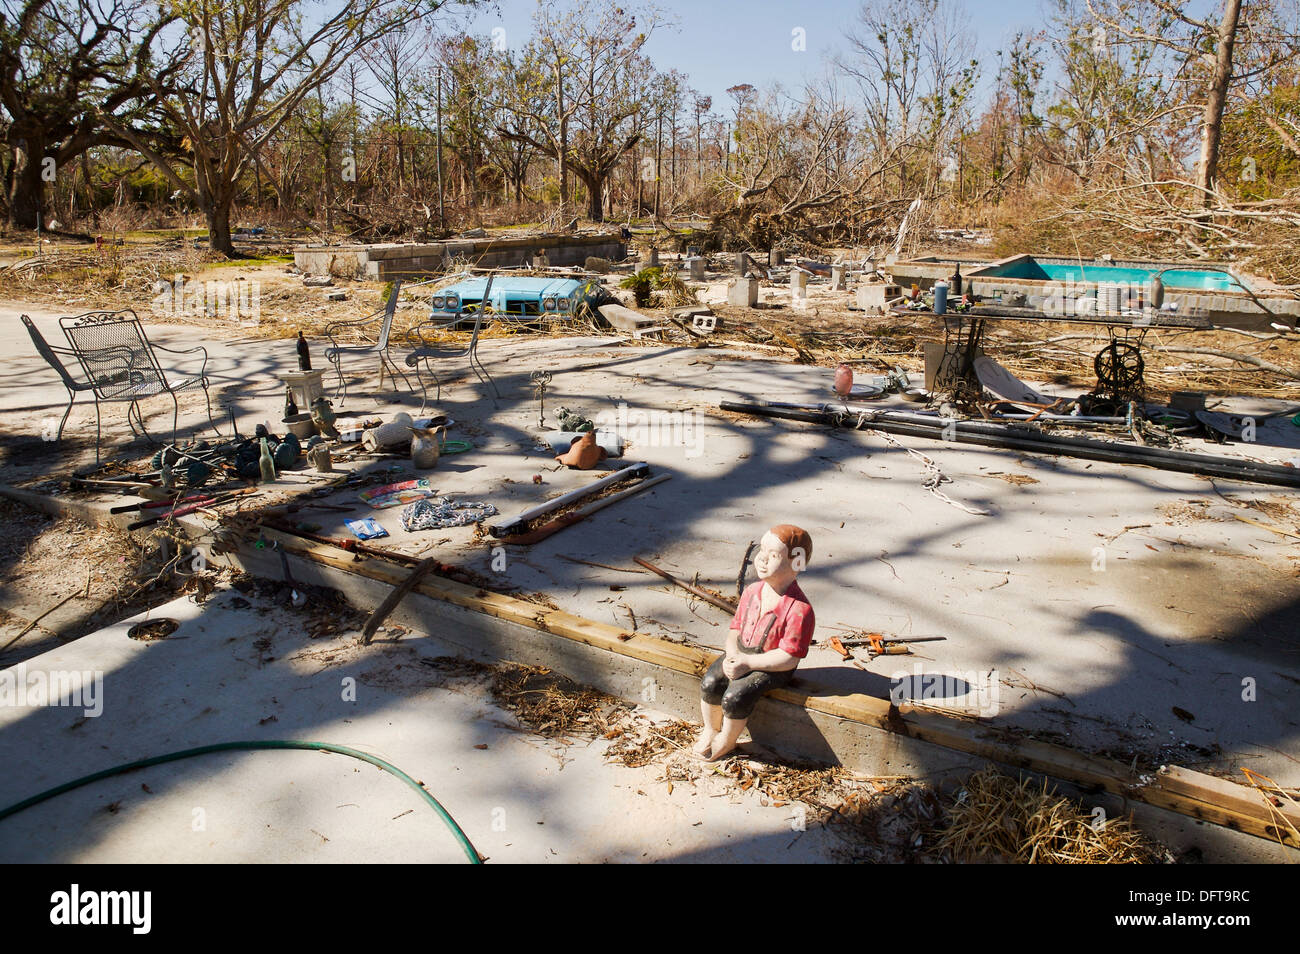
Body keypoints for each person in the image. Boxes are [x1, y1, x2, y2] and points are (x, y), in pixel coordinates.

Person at [693, 524, 815, 761]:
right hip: (741, 654)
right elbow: (735, 630)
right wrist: (731, 655)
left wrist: (748, 662)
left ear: (797, 563)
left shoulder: (800, 610)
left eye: (774, 556)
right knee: (710, 682)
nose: (762, 560)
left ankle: (727, 740)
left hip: (774, 666)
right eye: (761, 552)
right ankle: (710, 728)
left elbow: (789, 657)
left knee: (736, 696)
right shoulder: (751, 592)